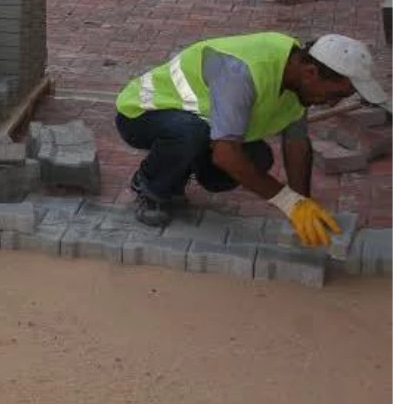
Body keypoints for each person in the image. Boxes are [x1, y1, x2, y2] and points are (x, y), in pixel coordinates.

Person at [115, 33, 385, 247]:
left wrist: (303, 205)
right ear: (311, 74)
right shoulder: (243, 72)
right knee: (197, 137)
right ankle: (150, 186)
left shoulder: (297, 74)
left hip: (199, 122)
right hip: (143, 112)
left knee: (258, 158)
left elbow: (297, 144)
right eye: (335, 93)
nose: (333, 103)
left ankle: (177, 173)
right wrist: (287, 202)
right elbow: (225, 155)